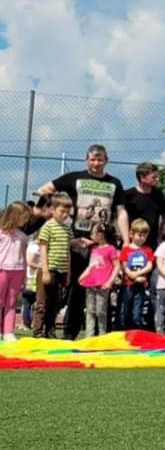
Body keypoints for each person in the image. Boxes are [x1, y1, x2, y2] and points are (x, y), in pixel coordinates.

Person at [35, 143, 126, 339]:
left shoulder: (115, 183)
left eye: (100, 159)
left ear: (106, 161)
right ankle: (63, 332)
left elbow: (121, 212)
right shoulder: (75, 178)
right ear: (87, 160)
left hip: (102, 247)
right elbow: (44, 190)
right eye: (93, 159)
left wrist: (125, 240)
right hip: (78, 243)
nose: (96, 163)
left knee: (101, 291)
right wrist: (54, 213)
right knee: (74, 290)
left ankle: (96, 334)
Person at [33, 192, 74, 337]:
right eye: (62, 211)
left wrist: (68, 273)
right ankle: (37, 331)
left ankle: (50, 330)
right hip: (48, 269)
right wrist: (45, 271)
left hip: (62, 272)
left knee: (55, 303)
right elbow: (43, 249)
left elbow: (68, 251)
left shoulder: (68, 230)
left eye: (67, 212)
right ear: (52, 210)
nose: (65, 215)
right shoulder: (47, 227)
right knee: (42, 303)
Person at [78, 222, 120, 337]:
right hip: (91, 283)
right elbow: (91, 265)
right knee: (90, 311)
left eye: (94, 232)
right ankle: (89, 336)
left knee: (101, 311)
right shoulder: (94, 248)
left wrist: (110, 281)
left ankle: (102, 336)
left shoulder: (111, 249)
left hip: (103, 285)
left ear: (101, 235)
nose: (91, 234)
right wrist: (84, 275)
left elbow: (117, 266)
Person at [0, 201, 32, 341]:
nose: (25, 220)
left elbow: (23, 257)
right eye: (24, 217)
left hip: (17, 271)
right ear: (14, 216)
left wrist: (24, 275)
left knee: (11, 303)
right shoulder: (1, 233)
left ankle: (8, 332)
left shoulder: (22, 236)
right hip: (1, 270)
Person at [119, 163, 165, 251]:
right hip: (132, 244)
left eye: (157, 176)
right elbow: (121, 218)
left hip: (152, 245)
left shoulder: (158, 195)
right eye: (154, 177)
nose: (157, 179)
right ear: (142, 177)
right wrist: (126, 240)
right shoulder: (128, 195)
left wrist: (160, 237)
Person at [119, 220, 155, 330]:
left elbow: (149, 266)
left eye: (144, 236)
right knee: (125, 310)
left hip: (140, 286)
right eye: (139, 235)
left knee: (137, 312)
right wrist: (133, 276)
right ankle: (124, 332)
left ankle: (136, 332)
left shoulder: (147, 250)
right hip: (127, 285)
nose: (142, 238)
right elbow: (124, 267)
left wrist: (138, 275)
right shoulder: (126, 250)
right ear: (131, 234)